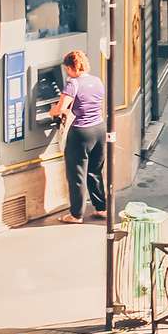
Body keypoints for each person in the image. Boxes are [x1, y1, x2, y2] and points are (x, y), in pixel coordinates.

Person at [54, 50, 108, 218]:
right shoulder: (97, 81)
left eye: (66, 69)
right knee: (95, 171)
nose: (66, 73)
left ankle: (76, 215)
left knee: (77, 175)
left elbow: (61, 108)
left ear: (71, 68)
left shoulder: (73, 84)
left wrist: (52, 111)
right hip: (99, 129)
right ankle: (101, 208)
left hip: (81, 133)